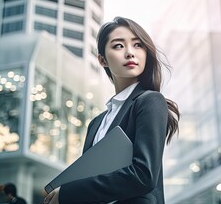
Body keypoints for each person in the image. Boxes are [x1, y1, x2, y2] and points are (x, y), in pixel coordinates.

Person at [44, 16, 180, 204]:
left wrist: (68, 193)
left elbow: (143, 176)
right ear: (102, 60)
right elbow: (90, 176)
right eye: (118, 46)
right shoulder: (96, 124)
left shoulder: (150, 101)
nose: (130, 53)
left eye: (138, 45)